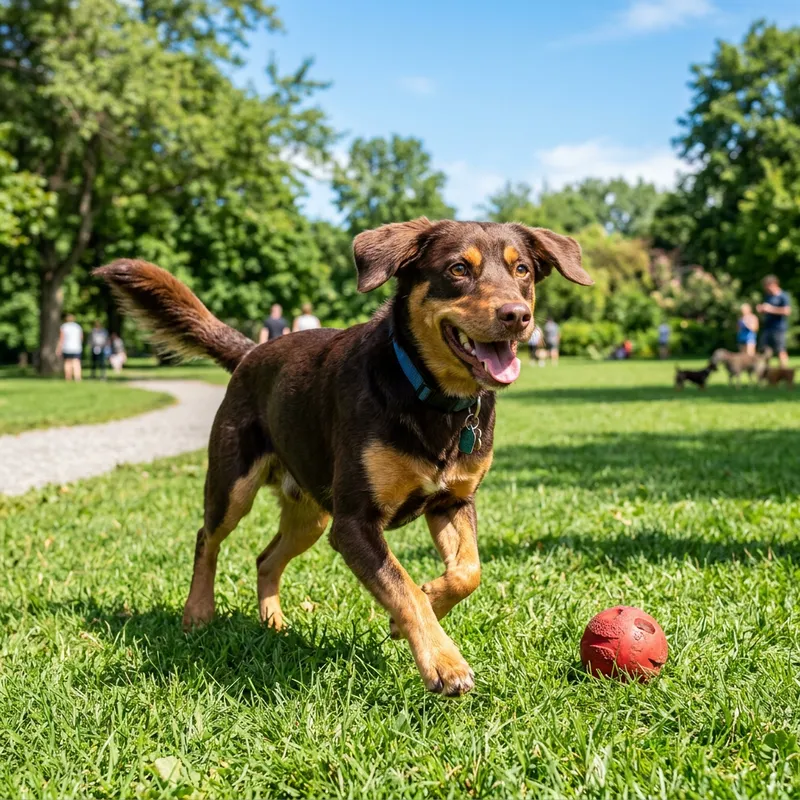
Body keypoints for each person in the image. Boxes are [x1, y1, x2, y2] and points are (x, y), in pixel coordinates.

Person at [757, 275, 791, 367]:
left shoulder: (783, 296)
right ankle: (767, 373)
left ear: (774, 284)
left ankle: (784, 372)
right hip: (767, 328)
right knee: (765, 350)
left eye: (767, 286)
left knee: (780, 350)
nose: (766, 289)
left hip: (778, 328)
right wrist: (762, 310)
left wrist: (770, 309)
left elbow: (787, 311)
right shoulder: (768, 296)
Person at [58, 314, 83, 381]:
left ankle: (68, 378)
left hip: (67, 347)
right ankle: (78, 378)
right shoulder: (78, 327)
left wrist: (59, 348)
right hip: (77, 347)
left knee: (67, 362)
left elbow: (61, 339)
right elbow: (81, 338)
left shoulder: (64, 327)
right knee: (76, 363)